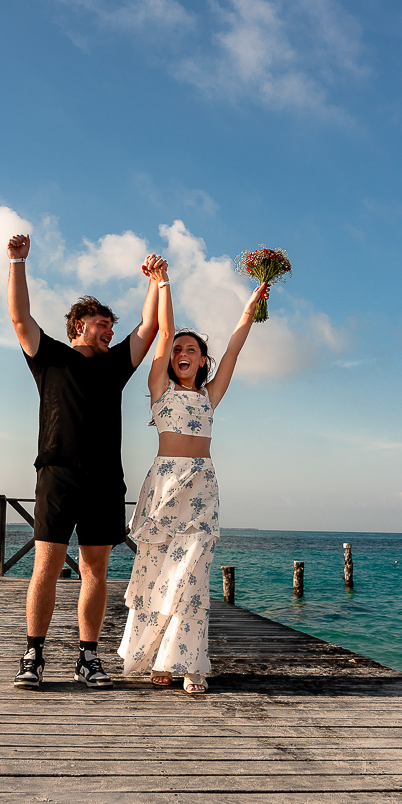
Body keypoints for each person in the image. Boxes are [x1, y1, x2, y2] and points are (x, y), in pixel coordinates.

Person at [6, 232, 167, 689]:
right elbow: (20, 318)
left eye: (112, 327)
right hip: (56, 474)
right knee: (47, 566)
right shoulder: (50, 357)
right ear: (80, 325)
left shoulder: (115, 365)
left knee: (96, 570)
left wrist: (156, 280)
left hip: (103, 481)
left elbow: (149, 327)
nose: (110, 332)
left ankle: (88, 658)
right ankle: (33, 654)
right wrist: (18, 262)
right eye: (102, 324)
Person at [118, 277, 271, 694]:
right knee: (156, 574)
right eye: (178, 350)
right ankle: (156, 658)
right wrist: (162, 284)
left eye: (193, 350)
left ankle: (187, 662)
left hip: (201, 489)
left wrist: (251, 305)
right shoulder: (159, 390)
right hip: (164, 487)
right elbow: (163, 334)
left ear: (204, 360)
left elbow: (236, 348)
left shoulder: (209, 395)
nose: (183, 353)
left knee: (191, 577)